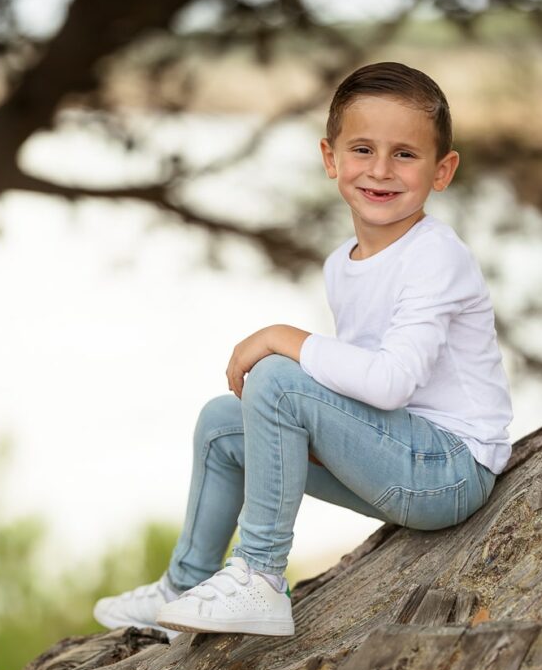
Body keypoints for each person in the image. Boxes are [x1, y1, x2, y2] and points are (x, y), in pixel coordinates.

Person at [93, 61, 513, 640]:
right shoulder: (341, 265)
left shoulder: (435, 255)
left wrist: (281, 337)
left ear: (443, 170)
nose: (381, 170)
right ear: (330, 158)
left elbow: (390, 382)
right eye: (362, 149)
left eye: (406, 155)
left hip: (449, 471)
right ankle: (183, 586)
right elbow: (356, 386)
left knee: (276, 375)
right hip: (397, 453)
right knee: (223, 423)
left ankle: (261, 576)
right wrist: (307, 430)